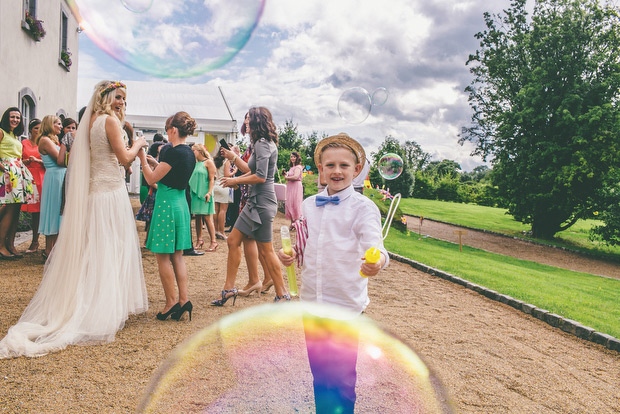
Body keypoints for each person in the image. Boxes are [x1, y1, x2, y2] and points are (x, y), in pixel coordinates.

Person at [0, 81, 148, 358]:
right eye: (118, 98)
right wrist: (139, 142)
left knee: (95, 248)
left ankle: (96, 301)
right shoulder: (109, 122)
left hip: (95, 194)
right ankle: (101, 309)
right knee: (109, 248)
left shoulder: (88, 121)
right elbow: (124, 158)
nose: (121, 103)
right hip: (109, 194)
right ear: (105, 97)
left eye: (124, 100)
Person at [277, 133, 389, 414]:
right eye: (330, 165)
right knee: (320, 375)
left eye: (344, 166)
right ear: (321, 169)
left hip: (344, 306)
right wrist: (290, 256)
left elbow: (376, 248)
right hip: (312, 303)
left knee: (341, 379)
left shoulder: (363, 208)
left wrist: (376, 262)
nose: (337, 171)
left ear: (356, 170)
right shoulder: (308, 205)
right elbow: (305, 247)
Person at [213, 106, 289, 305]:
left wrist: (236, 181)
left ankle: (282, 294)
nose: (245, 122)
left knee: (266, 250)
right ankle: (228, 289)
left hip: (262, 204)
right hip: (253, 203)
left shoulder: (263, 144)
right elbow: (251, 170)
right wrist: (236, 177)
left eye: (249, 119)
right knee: (232, 240)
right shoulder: (260, 143)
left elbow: (261, 177)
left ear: (257, 121)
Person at [139, 111, 196, 322]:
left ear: (173, 129)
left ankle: (170, 302)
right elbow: (171, 174)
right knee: (178, 257)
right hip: (181, 204)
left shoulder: (171, 152)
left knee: (162, 256)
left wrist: (143, 160)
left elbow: (152, 179)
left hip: (166, 205)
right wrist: (155, 162)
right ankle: (184, 300)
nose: (166, 133)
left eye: (166, 128)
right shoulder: (189, 152)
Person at [0, 107, 38, 259]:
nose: (15, 119)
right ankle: (1, 246)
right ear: (6, 118)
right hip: (7, 173)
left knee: (16, 208)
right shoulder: (1, 132)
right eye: (12, 117)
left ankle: (10, 244)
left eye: (17, 117)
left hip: (17, 172)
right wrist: (4, 168)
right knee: (9, 207)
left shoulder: (14, 136)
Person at [36, 115, 67, 258]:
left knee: (60, 211)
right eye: (58, 124)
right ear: (50, 124)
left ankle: (56, 250)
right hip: (55, 178)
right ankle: (49, 250)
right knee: (54, 211)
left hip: (60, 177)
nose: (61, 126)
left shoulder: (53, 140)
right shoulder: (45, 140)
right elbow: (60, 160)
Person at [21, 118, 44, 253]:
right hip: (27, 177)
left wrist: (37, 161)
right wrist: (25, 161)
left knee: (37, 211)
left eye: (40, 128)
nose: (38, 131)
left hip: (40, 177)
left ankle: (35, 241)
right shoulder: (24, 143)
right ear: (30, 130)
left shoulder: (44, 143)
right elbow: (18, 158)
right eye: (36, 128)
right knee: (19, 208)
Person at [188, 143, 217, 252]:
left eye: (193, 151)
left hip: (205, 193)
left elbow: (211, 179)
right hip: (195, 193)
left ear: (199, 151)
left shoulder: (208, 162)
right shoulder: (196, 164)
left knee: (207, 217)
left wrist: (209, 192)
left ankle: (214, 242)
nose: (192, 153)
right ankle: (199, 240)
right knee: (198, 217)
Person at [136, 141, 163, 247]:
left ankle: (150, 240)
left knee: (154, 219)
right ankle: (148, 240)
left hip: (157, 192)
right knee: (151, 219)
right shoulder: (153, 161)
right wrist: (160, 188)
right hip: (154, 193)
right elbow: (151, 180)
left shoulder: (160, 161)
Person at [212, 153, 232, 240]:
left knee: (216, 210)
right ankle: (222, 232)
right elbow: (227, 175)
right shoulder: (226, 161)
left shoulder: (214, 161)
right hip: (223, 185)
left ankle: (216, 230)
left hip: (215, 186)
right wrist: (234, 171)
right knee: (223, 210)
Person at [284, 151, 304, 226]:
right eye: (291, 156)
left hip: (296, 186)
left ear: (297, 158)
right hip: (290, 186)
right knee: (290, 203)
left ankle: (297, 223)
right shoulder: (291, 168)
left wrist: (287, 178)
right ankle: (292, 223)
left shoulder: (298, 167)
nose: (292, 158)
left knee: (296, 203)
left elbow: (296, 177)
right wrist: (286, 175)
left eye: (294, 157)